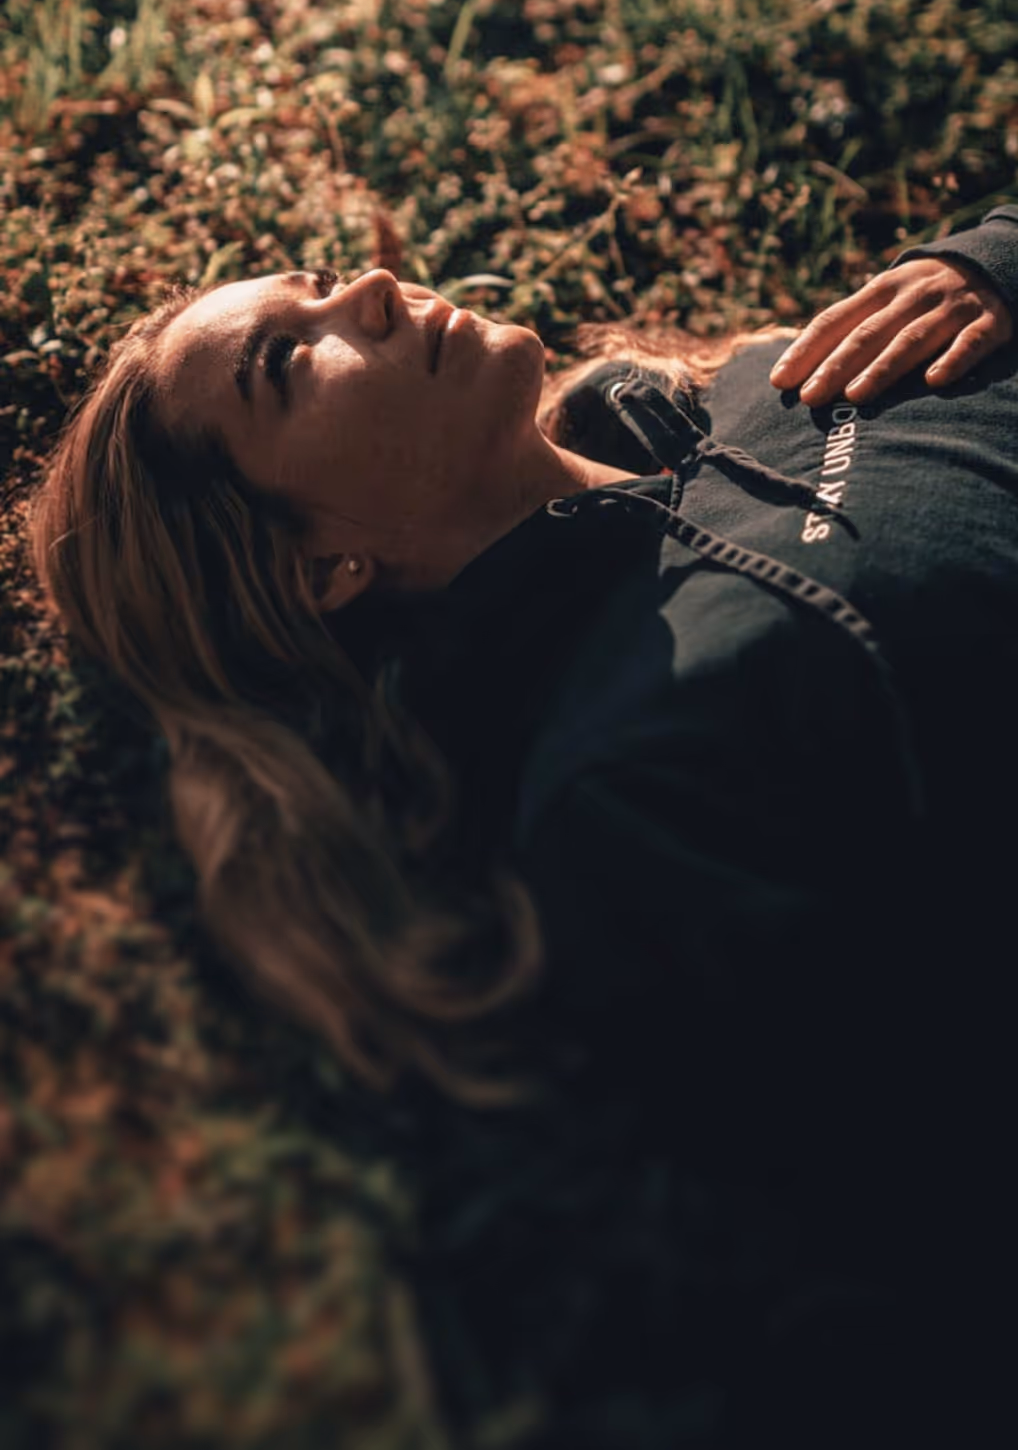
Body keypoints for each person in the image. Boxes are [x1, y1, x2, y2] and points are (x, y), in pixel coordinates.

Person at [28, 205, 1018, 1443]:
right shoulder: (631, 787)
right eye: (288, 360)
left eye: (326, 278)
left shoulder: (768, 384)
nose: (377, 287)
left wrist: (993, 261)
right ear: (318, 568)